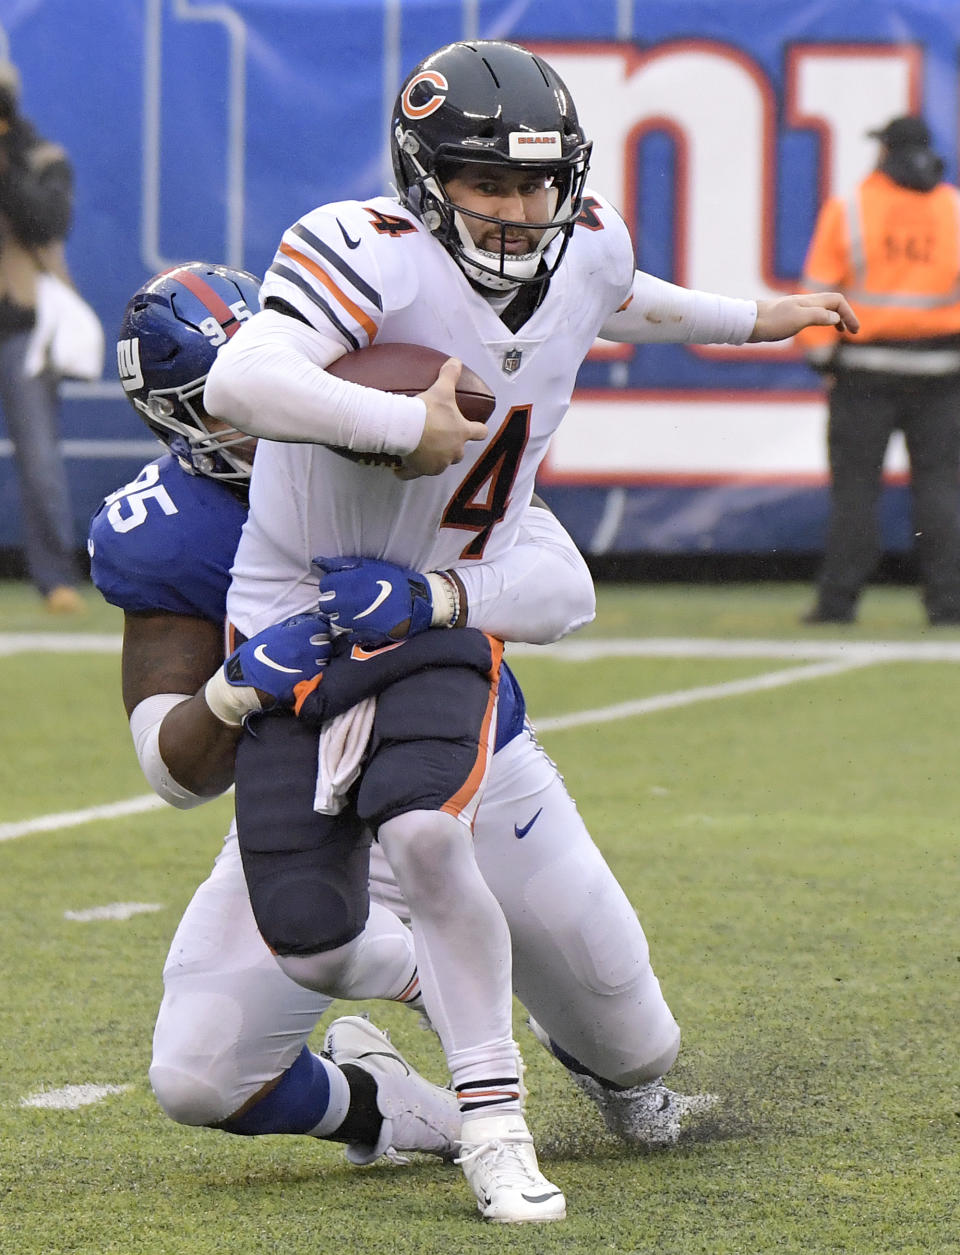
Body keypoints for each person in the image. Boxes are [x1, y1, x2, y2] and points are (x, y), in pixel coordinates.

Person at [203, 39, 857, 1222]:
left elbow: (623, 296)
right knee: (223, 1039)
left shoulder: (587, 240)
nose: (516, 210)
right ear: (421, 178)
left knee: (637, 1037)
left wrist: (758, 319)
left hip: (446, 627)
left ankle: (562, 1066)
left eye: (534, 184)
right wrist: (398, 422)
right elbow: (241, 382)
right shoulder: (361, 250)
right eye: (485, 183)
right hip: (310, 643)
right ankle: (456, 1094)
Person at [96, 262, 708, 1224]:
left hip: (476, 778)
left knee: (639, 1052)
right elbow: (171, 769)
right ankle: (402, 1108)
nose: (263, 416)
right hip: (308, 800)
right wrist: (233, 688)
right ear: (179, 422)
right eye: (226, 405)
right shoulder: (167, 533)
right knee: (199, 1074)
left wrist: (436, 599)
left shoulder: (390, 410)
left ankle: (581, 1052)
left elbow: (566, 589)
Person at [798, 115, 960, 626]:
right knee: (941, 491)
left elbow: (818, 293)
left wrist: (823, 357)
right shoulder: (954, 209)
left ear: (885, 151)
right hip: (941, 373)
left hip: (863, 375)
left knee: (855, 493)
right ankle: (948, 606)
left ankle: (837, 604)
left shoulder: (851, 209)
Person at [0, 58, 82, 613]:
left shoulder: (42, 159)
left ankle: (56, 580)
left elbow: (44, 224)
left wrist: (6, 163)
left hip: (23, 329)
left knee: (39, 458)